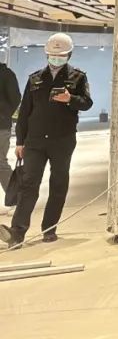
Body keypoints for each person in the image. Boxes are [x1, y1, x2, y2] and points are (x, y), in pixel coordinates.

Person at [0, 33, 92, 248]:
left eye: (60, 56)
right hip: (35, 141)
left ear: (69, 55)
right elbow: (25, 112)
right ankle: (17, 232)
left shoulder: (78, 77)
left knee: (58, 183)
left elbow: (87, 103)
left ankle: (49, 229)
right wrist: (20, 141)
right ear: (46, 54)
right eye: (52, 55)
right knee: (28, 184)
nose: (55, 59)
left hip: (63, 140)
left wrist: (70, 99)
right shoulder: (35, 79)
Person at [0, 55, 21, 203]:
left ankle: (16, 199)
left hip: (1, 126)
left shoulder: (6, 74)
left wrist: (4, 114)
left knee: (0, 163)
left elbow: (15, 98)